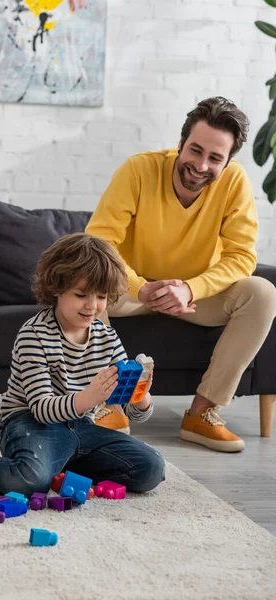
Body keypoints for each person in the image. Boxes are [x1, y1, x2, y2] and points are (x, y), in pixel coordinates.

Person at [86, 96, 276, 453]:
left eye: (215, 158)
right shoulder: (138, 169)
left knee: (263, 293)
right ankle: (108, 405)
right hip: (130, 291)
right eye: (195, 150)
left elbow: (241, 256)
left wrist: (190, 289)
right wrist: (141, 288)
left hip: (194, 298)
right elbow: (100, 240)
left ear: (228, 161)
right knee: (84, 279)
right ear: (180, 143)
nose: (201, 165)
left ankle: (202, 415)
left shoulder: (234, 183)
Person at [0, 233, 165, 497]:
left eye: (101, 296)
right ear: (56, 288)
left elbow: (133, 412)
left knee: (152, 468)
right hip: (30, 424)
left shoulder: (106, 336)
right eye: (81, 294)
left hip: (81, 427)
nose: (92, 306)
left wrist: (141, 395)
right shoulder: (34, 334)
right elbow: (40, 409)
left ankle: (62, 465)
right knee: (29, 481)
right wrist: (89, 398)